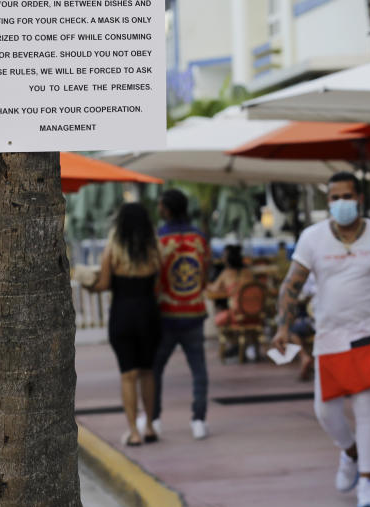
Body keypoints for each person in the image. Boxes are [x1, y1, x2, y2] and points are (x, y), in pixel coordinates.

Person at [272, 172, 370, 507]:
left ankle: (368, 482)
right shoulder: (313, 238)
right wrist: (282, 328)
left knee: (365, 408)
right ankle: (350, 452)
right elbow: (291, 286)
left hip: (368, 332)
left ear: (359, 199)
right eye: (333, 198)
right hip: (329, 334)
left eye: (346, 196)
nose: (340, 204)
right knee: (325, 411)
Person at [86, 203, 162, 446]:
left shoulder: (113, 251)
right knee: (148, 372)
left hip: (123, 314)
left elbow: (104, 285)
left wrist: (89, 283)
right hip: (149, 314)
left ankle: (134, 432)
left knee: (128, 375)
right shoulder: (155, 251)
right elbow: (159, 285)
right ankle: (149, 426)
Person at [152, 189, 211, 440]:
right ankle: (199, 420)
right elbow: (206, 271)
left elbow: (155, 277)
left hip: (166, 313)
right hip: (195, 311)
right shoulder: (200, 237)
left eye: (160, 205)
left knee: (155, 369)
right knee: (199, 370)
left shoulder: (160, 239)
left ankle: (154, 419)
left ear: (166, 208)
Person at [209, 244, 255, 327]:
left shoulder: (226, 273)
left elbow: (214, 289)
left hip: (235, 315)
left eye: (223, 256)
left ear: (227, 259)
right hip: (254, 314)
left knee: (216, 318)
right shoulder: (249, 273)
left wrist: (206, 284)